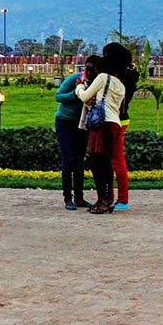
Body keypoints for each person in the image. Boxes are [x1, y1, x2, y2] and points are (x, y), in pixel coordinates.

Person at [76, 55, 126, 214]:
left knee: (97, 164)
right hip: (114, 125)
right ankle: (106, 199)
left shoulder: (103, 78)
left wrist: (79, 87)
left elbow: (84, 96)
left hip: (101, 125)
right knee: (106, 164)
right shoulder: (121, 85)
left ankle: (104, 200)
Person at [54, 55, 98, 210]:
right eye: (88, 70)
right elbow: (58, 96)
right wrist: (75, 94)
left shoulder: (96, 84)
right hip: (65, 122)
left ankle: (79, 197)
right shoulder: (74, 79)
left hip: (82, 124)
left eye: (93, 71)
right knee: (68, 158)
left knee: (79, 160)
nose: (90, 73)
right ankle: (68, 198)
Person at [103, 42, 138, 212]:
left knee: (116, 160)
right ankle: (112, 196)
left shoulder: (115, 77)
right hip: (123, 119)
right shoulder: (129, 75)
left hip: (113, 119)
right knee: (113, 160)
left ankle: (122, 199)